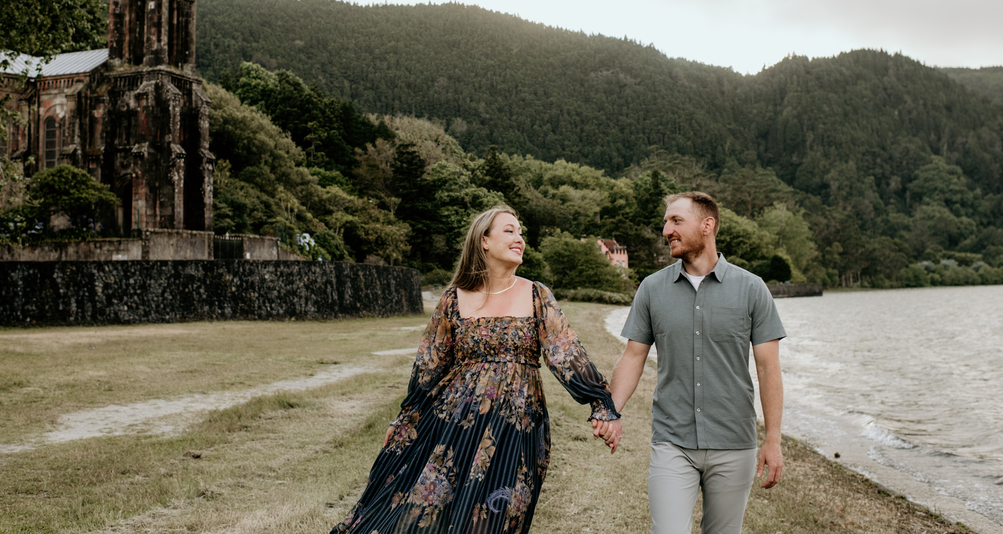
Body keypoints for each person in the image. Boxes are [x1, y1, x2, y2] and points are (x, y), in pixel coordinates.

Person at [331, 205, 621, 534]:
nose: (519, 239)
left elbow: (565, 353)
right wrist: (407, 417)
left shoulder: (536, 294)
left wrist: (601, 403)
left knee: (497, 519)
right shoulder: (453, 300)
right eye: (509, 231)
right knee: (427, 516)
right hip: (453, 427)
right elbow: (429, 366)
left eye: (521, 233)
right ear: (484, 241)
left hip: (516, 429)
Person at [594, 191, 786, 534]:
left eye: (676, 221)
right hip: (672, 441)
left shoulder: (752, 289)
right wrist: (612, 410)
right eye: (666, 222)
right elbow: (634, 356)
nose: (667, 230)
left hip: (734, 442)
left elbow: (768, 368)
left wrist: (773, 440)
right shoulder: (651, 289)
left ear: (707, 225)